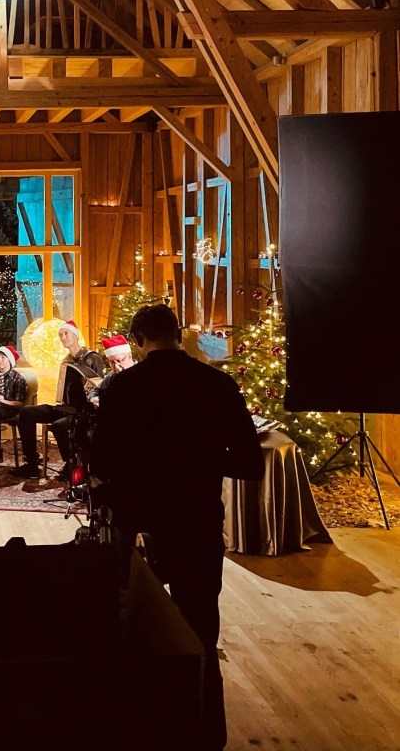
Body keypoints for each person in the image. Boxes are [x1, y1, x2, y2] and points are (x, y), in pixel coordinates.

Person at [90, 304, 265, 751]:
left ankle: (142, 729)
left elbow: (103, 462)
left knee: (133, 627)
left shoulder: (123, 387)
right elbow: (250, 464)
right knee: (200, 627)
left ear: (137, 340)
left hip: (138, 523)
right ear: (178, 334)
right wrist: (200, 459)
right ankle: (206, 734)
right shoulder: (217, 384)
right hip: (197, 520)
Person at [11, 319, 106, 480]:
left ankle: (71, 464)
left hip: (81, 411)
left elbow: (99, 385)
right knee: (26, 412)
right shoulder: (66, 360)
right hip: (64, 407)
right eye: (60, 335)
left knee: (58, 425)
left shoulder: (92, 358)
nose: (63, 337)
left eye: (66, 333)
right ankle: (32, 463)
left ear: (76, 336)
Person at [88, 334, 134, 404]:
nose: (116, 367)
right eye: (112, 362)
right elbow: (94, 392)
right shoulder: (111, 375)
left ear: (130, 356)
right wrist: (93, 399)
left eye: (119, 361)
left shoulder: (141, 373)